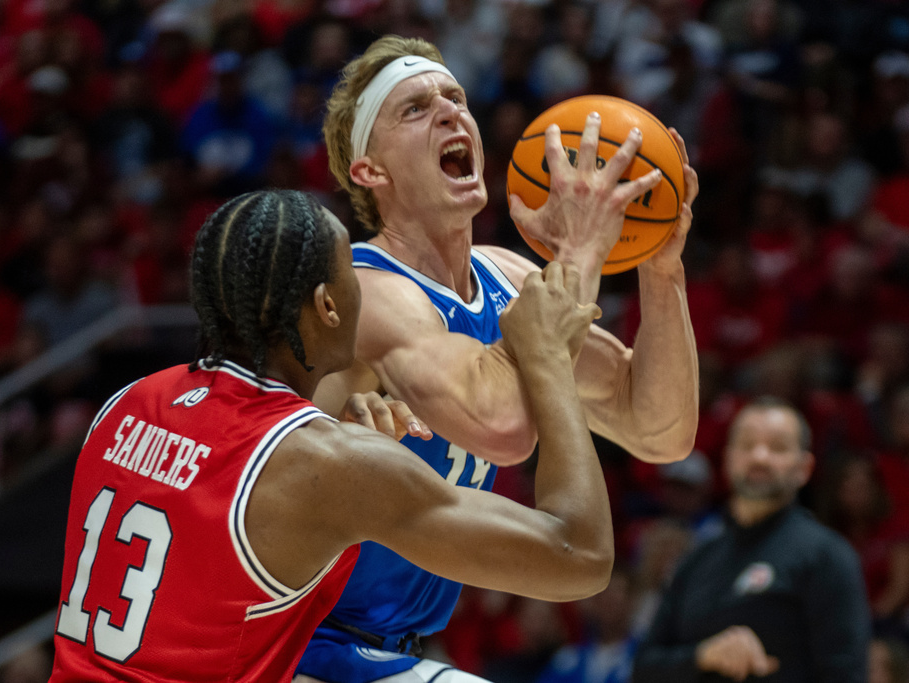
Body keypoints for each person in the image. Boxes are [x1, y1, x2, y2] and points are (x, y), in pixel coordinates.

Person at [49, 189, 618, 681]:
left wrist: (334, 440)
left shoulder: (126, 403)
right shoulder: (322, 463)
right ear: (327, 305)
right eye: (354, 272)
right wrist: (544, 358)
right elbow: (580, 555)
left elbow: (212, 548)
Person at [297, 34, 700, 681]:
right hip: (295, 640)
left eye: (455, 97)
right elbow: (503, 426)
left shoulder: (509, 277)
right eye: (416, 108)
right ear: (370, 171)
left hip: (391, 646)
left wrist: (659, 268)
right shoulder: (366, 291)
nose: (451, 111)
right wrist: (578, 256)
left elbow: (659, 428)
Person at [631, 396, 871, 682]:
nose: (760, 457)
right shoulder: (696, 562)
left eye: (778, 447)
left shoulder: (828, 556)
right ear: (728, 459)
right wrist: (704, 655)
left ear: (804, 468)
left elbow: (846, 673)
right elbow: (643, 669)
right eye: (747, 445)